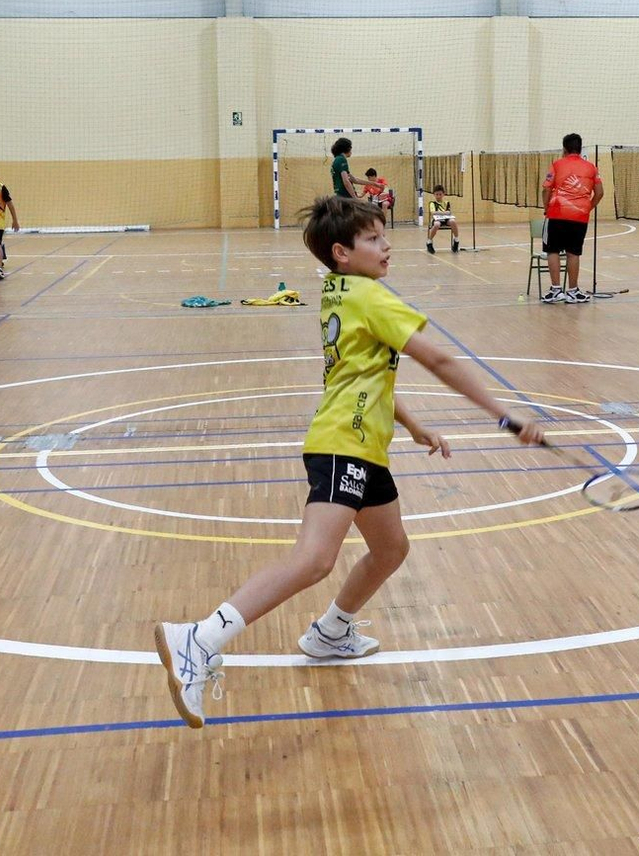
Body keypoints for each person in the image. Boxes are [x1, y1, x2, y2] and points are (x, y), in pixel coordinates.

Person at [153, 195, 545, 729]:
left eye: (385, 236)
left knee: (391, 548)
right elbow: (439, 358)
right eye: (373, 239)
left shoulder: (338, 292)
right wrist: (505, 415)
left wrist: (412, 424)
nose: (387, 246)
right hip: (344, 443)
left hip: (363, 444)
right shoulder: (371, 296)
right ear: (341, 252)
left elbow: (362, 372)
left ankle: (332, 632)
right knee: (315, 559)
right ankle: (199, 639)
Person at [539, 132, 604, 304]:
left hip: (556, 214)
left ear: (564, 149)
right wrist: (587, 208)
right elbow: (599, 193)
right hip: (579, 217)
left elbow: (546, 189)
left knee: (552, 251)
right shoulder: (591, 167)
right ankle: (573, 291)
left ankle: (556, 291)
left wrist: (546, 208)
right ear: (580, 149)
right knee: (573, 253)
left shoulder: (557, 164)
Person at [426, 184, 459, 254]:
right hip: (437, 219)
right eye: (437, 194)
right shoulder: (432, 203)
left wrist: (440, 212)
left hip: (446, 219)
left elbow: (449, 212)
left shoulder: (447, 203)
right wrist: (444, 212)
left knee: (453, 221)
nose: (438, 196)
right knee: (436, 225)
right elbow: (433, 213)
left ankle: (456, 240)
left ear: (443, 194)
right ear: (434, 195)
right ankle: (429, 242)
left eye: (440, 194)